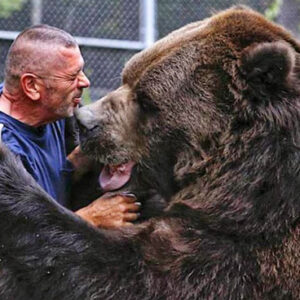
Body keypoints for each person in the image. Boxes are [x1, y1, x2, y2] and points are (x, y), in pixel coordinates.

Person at [0, 24, 140, 228]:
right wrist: (90, 218)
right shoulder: (7, 150)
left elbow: (44, 179)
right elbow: (17, 246)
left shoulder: (52, 112)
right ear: (31, 86)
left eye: (81, 71)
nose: (85, 82)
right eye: (72, 77)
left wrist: (83, 157)